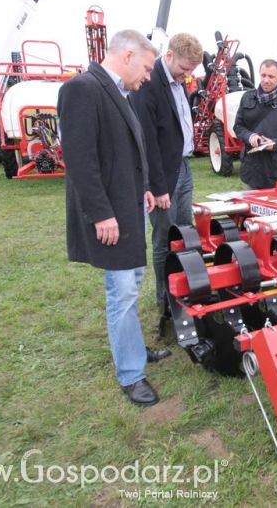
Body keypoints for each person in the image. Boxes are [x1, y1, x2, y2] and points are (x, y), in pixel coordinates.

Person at [58, 30, 166, 407]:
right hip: (111, 213)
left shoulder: (120, 93)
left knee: (132, 282)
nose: (149, 76)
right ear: (129, 55)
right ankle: (131, 374)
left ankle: (132, 349)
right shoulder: (82, 90)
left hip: (129, 205)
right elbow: (81, 160)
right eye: (148, 68)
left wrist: (144, 188)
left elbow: (124, 153)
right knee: (121, 292)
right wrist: (101, 213)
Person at [131, 33, 203, 320]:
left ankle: (188, 287)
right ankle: (165, 299)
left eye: (191, 71)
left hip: (182, 167)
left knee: (185, 232)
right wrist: (158, 187)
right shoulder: (149, 87)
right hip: (163, 175)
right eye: (184, 69)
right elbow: (147, 142)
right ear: (169, 55)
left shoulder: (177, 82)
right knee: (164, 236)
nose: (188, 76)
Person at [234, 59, 277, 190]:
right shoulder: (247, 98)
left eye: (271, 76)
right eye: (263, 75)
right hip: (252, 168)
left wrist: (275, 144)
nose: (266, 80)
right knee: (251, 209)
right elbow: (238, 126)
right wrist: (250, 136)